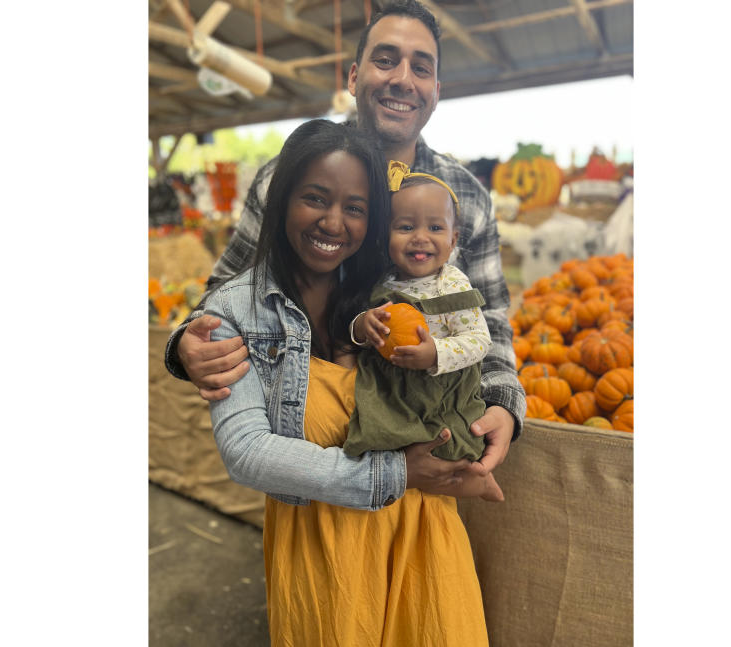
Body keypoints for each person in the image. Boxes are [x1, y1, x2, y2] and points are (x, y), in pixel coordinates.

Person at [165, 0, 525, 478]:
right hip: (313, 445)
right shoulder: (285, 180)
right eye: (385, 59)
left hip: (431, 435)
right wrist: (186, 346)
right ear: (354, 77)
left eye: (421, 67)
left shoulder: (467, 198)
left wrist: (502, 402)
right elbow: (226, 290)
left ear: (435, 92)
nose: (402, 78)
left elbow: (492, 320)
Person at [203, 117, 491, 644]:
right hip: (323, 548)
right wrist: (396, 474)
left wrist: (498, 405)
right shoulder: (234, 312)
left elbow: (474, 340)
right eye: (315, 198)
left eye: (355, 208)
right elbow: (246, 451)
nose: (334, 223)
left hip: (423, 534)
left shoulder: (386, 290)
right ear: (283, 200)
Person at [344, 162, 503, 502]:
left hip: (438, 389)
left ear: (453, 239)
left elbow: (479, 340)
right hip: (391, 388)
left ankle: (472, 480)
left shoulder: (452, 284)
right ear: (385, 235)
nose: (420, 237)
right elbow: (357, 330)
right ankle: (392, 483)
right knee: (376, 436)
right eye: (405, 226)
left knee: (447, 440)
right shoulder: (384, 281)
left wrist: (436, 354)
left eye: (434, 227)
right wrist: (362, 326)